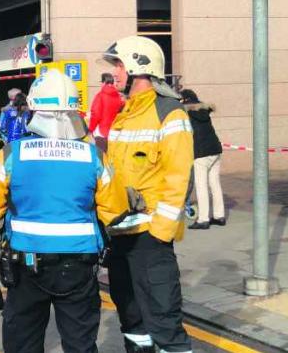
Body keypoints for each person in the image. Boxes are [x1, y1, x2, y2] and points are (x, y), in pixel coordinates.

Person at [0, 69, 127, 353]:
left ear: (34, 108)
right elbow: (116, 212)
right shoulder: (94, 156)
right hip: (79, 266)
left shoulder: (12, 153)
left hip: (26, 265)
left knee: (23, 344)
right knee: (81, 345)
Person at [102, 36, 194, 353]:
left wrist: (159, 233)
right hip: (120, 236)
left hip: (150, 239)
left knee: (164, 321)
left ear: (137, 67)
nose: (114, 72)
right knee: (131, 320)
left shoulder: (170, 113)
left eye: (118, 65)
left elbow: (179, 177)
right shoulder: (125, 114)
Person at [181, 89, 226, 230]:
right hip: (215, 150)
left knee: (201, 186)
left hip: (201, 153)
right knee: (215, 184)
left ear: (184, 100)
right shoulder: (204, 110)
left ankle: (203, 219)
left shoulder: (187, 113)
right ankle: (219, 216)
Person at [88, 72, 124, 152]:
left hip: (101, 132)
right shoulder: (118, 96)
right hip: (114, 132)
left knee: (101, 156)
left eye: (101, 82)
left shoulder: (100, 95)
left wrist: (90, 129)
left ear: (104, 82)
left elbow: (96, 114)